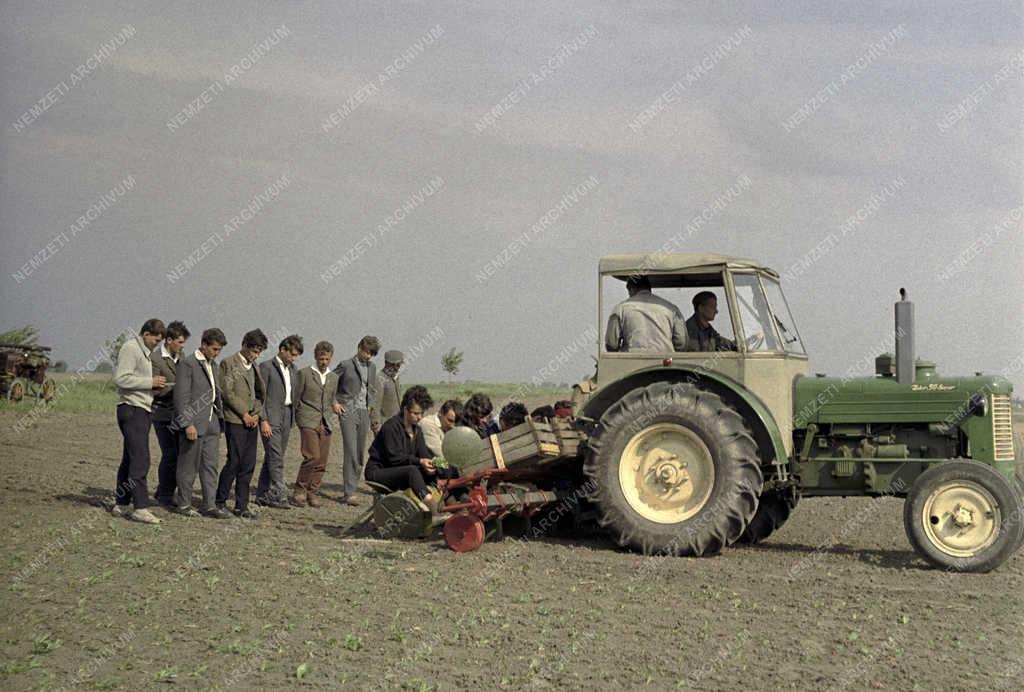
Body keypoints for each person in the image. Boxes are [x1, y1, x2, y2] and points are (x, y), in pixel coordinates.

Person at [365, 386, 455, 512]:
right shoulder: (391, 427)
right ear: (405, 410)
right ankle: (432, 507)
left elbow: (425, 455)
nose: (419, 417)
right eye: (416, 413)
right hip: (379, 471)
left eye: (422, 414)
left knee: (444, 468)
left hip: (401, 470)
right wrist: (420, 462)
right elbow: (394, 458)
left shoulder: (417, 430)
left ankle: (450, 507)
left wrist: (437, 465)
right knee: (412, 470)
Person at [111, 319, 167, 524]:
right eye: (156, 339)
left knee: (130, 458)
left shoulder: (143, 351)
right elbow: (121, 378)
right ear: (145, 334)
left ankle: (122, 503)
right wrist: (150, 382)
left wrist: (154, 387)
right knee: (141, 459)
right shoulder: (131, 348)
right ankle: (141, 507)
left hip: (140, 408)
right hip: (133, 409)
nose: (157, 344)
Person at [172, 328, 227, 518]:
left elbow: (215, 394)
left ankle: (209, 505)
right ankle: (184, 504)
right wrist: (187, 424)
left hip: (212, 423)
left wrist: (219, 421)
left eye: (219, 349)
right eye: (214, 348)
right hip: (194, 424)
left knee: (210, 466)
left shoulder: (213, 365)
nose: (217, 352)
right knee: (188, 466)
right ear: (203, 344)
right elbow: (181, 397)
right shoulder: (188, 364)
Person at [216, 329, 268, 518]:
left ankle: (241, 505)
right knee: (234, 462)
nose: (256, 355)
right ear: (244, 345)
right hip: (235, 420)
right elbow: (227, 392)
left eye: (259, 352)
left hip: (251, 421)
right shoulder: (228, 363)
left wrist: (255, 413)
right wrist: (244, 413)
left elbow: (259, 393)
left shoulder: (255, 367)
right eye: (254, 350)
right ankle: (219, 501)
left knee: (248, 463)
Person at [291, 341, 342, 507]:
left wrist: (335, 404)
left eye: (327, 359)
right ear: (315, 357)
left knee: (322, 461)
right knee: (312, 456)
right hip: (308, 420)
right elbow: (296, 398)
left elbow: (331, 397)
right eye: (321, 359)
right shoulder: (304, 374)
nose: (324, 362)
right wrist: (299, 419)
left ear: (331, 358)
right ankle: (300, 490)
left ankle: (313, 493)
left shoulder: (333, 378)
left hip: (326, 422)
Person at [256, 334, 303, 509]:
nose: (293, 358)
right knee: (276, 457)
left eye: (296, 355)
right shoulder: (266, 367)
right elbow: (261, 396)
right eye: (291, 354)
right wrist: (264, 419)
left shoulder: (293, 370)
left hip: (287, 415)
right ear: (282, 349)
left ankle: (262, 494)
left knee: (274, 456)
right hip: (271, 416)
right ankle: (279, 495)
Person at [333, 335, 380, 506]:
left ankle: (352, 487)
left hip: (364, 412)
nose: (368, 356)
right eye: (366, 351)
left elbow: (372, 391)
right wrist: (335, 403)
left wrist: (372, 412)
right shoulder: (346, 365)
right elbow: (330, 382)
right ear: (359, 347)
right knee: (351, 451)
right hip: (348, 411)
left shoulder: (372, 367)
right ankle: (349, 492)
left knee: (360, 452)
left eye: (371, 354)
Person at [151, 321, 190, 508]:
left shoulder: (181, 358)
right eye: (180, 342)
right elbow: (154, 388)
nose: (183, 346)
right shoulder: (155, 359)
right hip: (162, 414)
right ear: (169, 340)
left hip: (179, 414)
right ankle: (165, 495)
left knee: (180, 454)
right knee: (170, 454)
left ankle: (164, 489)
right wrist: (177, 390)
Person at [605, 275, 687, 352]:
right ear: (649, 288)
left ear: (631, 289)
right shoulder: (670, 308)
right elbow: (682, 342)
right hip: (665, 362)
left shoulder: (621, 308)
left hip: (632, 363)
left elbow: (612, 344)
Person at [372, 350, 403, 434]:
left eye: (398, 365)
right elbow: (375, 404)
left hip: (397, 423)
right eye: (394, 365)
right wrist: (376, 425)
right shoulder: (379, 379)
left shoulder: (396, 378)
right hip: (385, 424)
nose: (397, 368)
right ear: (387, 363)